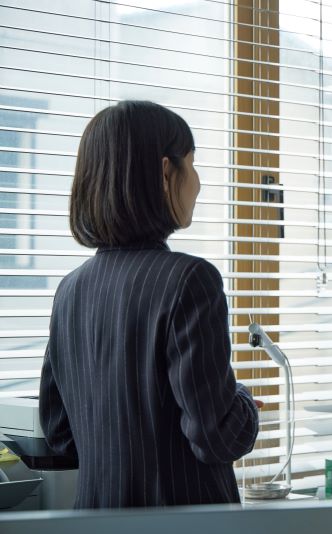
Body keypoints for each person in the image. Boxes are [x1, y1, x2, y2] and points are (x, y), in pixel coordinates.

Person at [39, 101, 261, 508]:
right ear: (164, 173)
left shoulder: (69, 291)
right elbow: (218, 437)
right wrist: (243, 402)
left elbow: (60, 435)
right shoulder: (190, 281)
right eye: (191, 165)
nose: (197, 182)